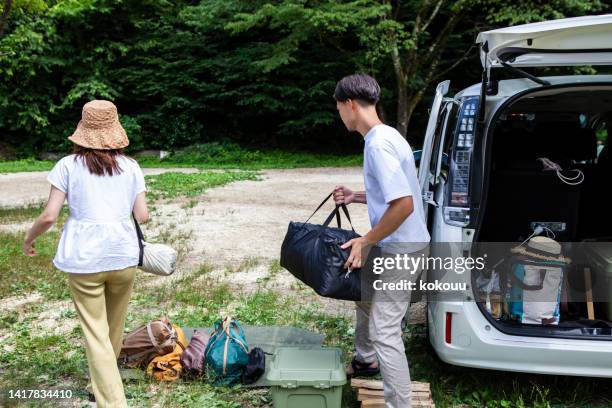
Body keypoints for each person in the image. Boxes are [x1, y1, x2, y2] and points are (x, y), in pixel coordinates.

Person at [23, 100, 148, 407]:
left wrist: (29, 238)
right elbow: (142, 215)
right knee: (113, 328)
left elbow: (49, 216)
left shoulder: (67, 166)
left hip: (84, 260)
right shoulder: (131, 166)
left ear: (83, 130)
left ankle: (112, 402)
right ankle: (99, 384)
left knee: (95, 333)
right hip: (123, 256)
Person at [332, 73, 430, 408]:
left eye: (339, 109)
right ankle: (366, 360)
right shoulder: (389, 135)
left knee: (385, 332)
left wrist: (365, 240)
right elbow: (392, 194)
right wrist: (355, 196)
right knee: (365, 299)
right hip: (404, 244)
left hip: (401, 250)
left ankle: (398, 404)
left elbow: (403, 204)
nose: (340, 116)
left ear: (349, 104)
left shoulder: (376, 144)